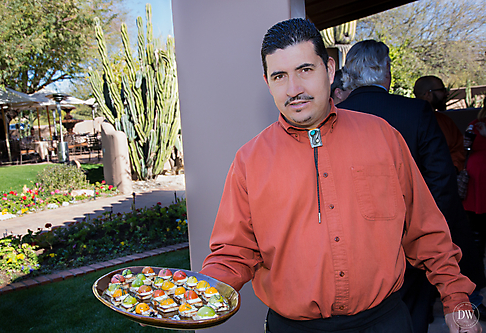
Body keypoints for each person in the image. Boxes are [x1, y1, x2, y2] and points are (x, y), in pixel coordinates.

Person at [199, 18, 480, 333]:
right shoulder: (249, 160)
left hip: (385, 323)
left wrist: (457, 300)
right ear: (267, 82)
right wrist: (202, 294)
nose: (294, 89)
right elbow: (233, 251)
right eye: (280, 76)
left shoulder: (383, 137)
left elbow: (426, 230)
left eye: (305, 70)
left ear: (329, 69)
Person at [337, 40, 486, 332]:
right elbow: (441, 180)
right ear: (386, 73)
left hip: (355, 240)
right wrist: (439, 235)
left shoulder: (336, 116)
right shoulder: (416, 111)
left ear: (350, 74)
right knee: (415, 313)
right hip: (412, 235)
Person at [414, 75, 466, 172]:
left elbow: (458, 148)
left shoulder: (445, 121)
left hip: (445, 178)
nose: (446, 93)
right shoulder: (410, 121)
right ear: (428, 94)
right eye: (442, 90)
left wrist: (453, 167)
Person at [463, 104, 486, 264]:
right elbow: (466, 145)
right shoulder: (475, 124)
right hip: (477, 176)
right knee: (477, 225)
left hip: (478, 173)